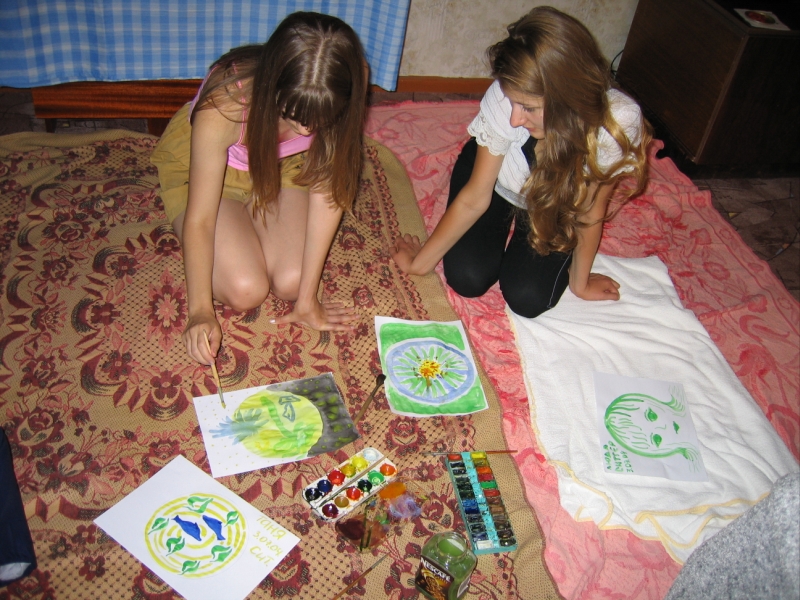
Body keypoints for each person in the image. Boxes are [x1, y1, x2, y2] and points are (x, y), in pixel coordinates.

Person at [391, 6, 652, 318]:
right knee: (467, 278)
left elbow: (590, 209)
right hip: (497, 180)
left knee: (528, 298)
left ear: (569, 97)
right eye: (513, 103)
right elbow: (475, 197)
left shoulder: (617, 123)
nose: (515, 118)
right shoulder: (505, 99)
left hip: (554, 201)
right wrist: (419, 264)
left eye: (528, 108)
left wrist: (580, 284)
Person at [151, 12, 366, 365]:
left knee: (295, 281)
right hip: (212, 173)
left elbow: (328, 188)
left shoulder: (342, 86)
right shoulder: (225, 103)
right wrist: (200, 310)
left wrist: (308, 299)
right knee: (245, 289)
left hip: (282, 168)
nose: (306, 130)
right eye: (292, 115)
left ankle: (252, 229)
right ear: (271, 85)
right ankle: (243, 226)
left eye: (318, 121)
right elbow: (201, 219)